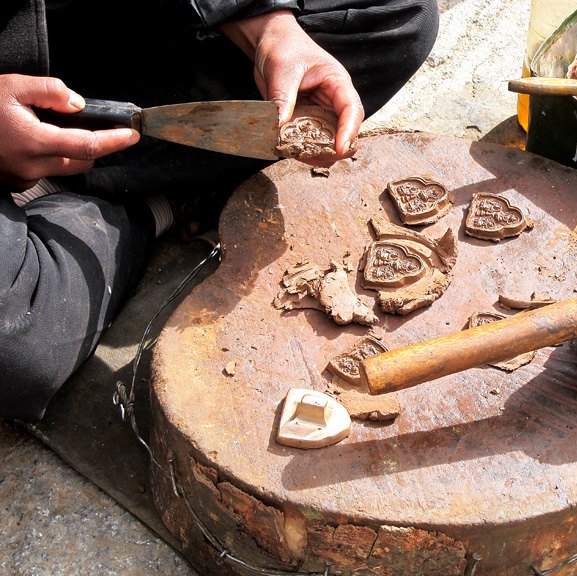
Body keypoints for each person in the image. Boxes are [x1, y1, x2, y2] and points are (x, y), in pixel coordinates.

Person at [0, 0, 439, 421]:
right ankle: (150, 202)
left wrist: (267, 25)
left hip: (78, 37)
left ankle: (102, 173)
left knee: (398, 18)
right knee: (18, 351)